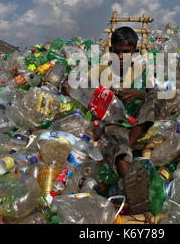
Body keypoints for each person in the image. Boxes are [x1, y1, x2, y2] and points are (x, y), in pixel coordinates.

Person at [62, 26, 166, 214]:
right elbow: (76, 85)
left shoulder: (143, 72)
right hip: (114, 122)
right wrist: (68, 85)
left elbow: (155, 94)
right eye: (116, 52)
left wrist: (139, 94)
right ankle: (138, 198)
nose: (120, 57)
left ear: (133, 52)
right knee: (118, 145)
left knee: (156, 97)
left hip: (137, 123)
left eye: (125, 52)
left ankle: (127, 149)